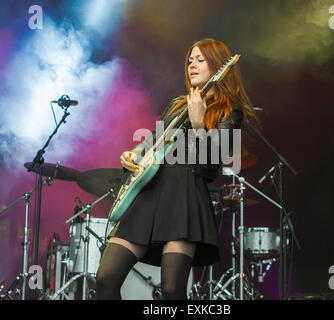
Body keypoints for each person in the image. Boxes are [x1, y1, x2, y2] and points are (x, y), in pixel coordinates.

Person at [95, 38, 261, 300]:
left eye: (200, 59)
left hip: (183, 197)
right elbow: (153, 141)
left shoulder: (231, 111)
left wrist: (198, 124)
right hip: (149, 195)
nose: (191, 65)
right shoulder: (177, 104)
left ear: (218, 65)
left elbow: (209, 167)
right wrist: (133, 154)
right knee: (105, 278)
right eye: (189, 60)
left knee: (172, 290)